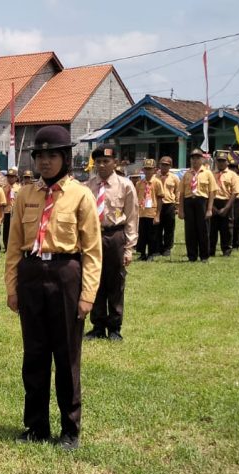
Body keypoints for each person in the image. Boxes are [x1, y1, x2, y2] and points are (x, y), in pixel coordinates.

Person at [4, 126, 101, 450]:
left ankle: (69, 430)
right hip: (32, 274)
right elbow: (14, 244)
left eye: (52, 155)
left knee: (66, 356)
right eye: (40, 155)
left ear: (65, 157)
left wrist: (87, 295)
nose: (45, 162)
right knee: (34, 355)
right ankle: (36, 426)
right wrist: (13, 287)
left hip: (65, 274)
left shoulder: (81, 195)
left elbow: (92, 251)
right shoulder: (25, 195)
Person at [83, 145, 137, 341]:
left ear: (115, 162)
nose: (102, 165)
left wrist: (129, 248)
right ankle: (98, 326)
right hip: (93, 237)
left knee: (115, 282)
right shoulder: (88, 186)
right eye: (98, 162)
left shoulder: (125, 185)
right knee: (94, 280)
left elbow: (132, 218)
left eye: (106, 161)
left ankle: (114, 327)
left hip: (115, 237)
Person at [178, 148, 218, 262]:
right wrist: (180, 209)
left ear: (202, 159)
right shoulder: (186, 174)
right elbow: (181, 193)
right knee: (190, 230)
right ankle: (192, 256)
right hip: (189, 202)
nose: (195, 160)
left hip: (202, 201)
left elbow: (212, 192)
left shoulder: (208, 173)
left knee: (203, 229)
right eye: (193, 158)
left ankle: (204, 256)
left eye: (197, 158)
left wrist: (209, 209)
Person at [209, 152, 239, 257]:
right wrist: (211, 206)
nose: (221, 163)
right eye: (219, 161)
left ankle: (226, 250)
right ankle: (210, 250)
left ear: (227, 162)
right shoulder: (211, 174)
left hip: (226, 202)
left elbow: (235, 192)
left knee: (227, 228)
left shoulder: (232, 175)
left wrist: (226, 208)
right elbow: (208, 191)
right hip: (213, 202)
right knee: (212, 228)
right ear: (216, 162)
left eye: (223, 161)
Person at [135, 159, 162, 261]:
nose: (148, 171)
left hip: (152, 212)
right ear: (143, 170)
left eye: (150, 169)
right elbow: (136, 197)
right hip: (141, 213)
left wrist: (158, 215)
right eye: (146, 169)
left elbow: (160, 199)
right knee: (142, 235)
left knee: (152, 235)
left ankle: (151, 253)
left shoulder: (157, 182)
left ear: (154, 170)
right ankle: (142, 253)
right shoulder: (139, 183)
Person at [156, 156, 180, 257]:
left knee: (169, 228)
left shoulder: (174, 178)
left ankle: (167, 248)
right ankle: (158, 247)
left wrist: (177, 206)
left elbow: (177, 191)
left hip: (169, 204)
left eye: (167, 165)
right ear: (159, 165)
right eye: (162, 164)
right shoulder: (155, 177)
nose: (164, 167)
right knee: (157, 227)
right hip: (157, 205)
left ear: (170, 166)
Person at [2, 167, 18, 252]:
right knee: (6, 230)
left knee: (15, 230)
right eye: (8, 177)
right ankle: (6, 246)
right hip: (7, 211)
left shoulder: (19, 188)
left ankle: (15, 246)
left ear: (16, 177)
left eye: (12, 177)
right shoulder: (4, 188)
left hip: (16, 212)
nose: (10, 178)